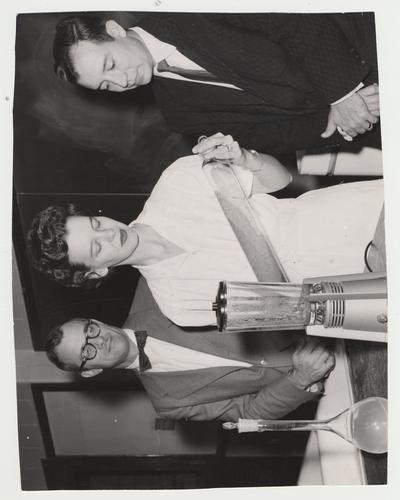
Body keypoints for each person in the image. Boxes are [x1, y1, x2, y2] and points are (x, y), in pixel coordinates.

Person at [28, 133, 384, 326]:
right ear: (97, 272)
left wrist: (247, 159)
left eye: (95, 224)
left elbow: (281, 180)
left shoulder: (177, 182)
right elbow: (290, 314)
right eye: (96, 248)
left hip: (346, 215)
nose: (109, 234)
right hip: (340, 289)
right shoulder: (177, 304)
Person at [52, 12, 381, 155]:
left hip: (369, 48)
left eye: (110, 64)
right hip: (367, 119)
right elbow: (269, 137)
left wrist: (342, 94)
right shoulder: (178, 115)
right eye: (106, 86)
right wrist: (341, 117)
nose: (121, 81)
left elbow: (292, 20)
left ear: (114, 30)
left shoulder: (186, 11)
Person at [45, 300, 335, 421]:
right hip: (325, 381)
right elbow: (249, 411)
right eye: (87, 352)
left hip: (323, 314)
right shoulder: (168, 405)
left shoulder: (153, 294)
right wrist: (300, 380)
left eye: (90, 330)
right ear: (91, 371)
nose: (99, 340)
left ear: (95, 320)